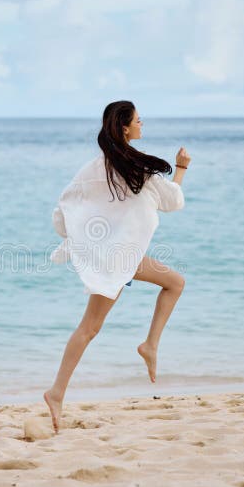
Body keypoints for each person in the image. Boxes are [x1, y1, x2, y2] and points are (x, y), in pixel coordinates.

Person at [44, 100, 191, 433]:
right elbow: (174, 201)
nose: (142, 124)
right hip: (119, 260)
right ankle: (56, 393)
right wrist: (181, 168)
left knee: (173, 283)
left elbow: (61, 213)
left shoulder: (93, 169)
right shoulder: (139, 168)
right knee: (89, 328)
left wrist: (88, 235)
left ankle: (149, 346)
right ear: (125, 127)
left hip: (115, 256)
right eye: (139, 120)